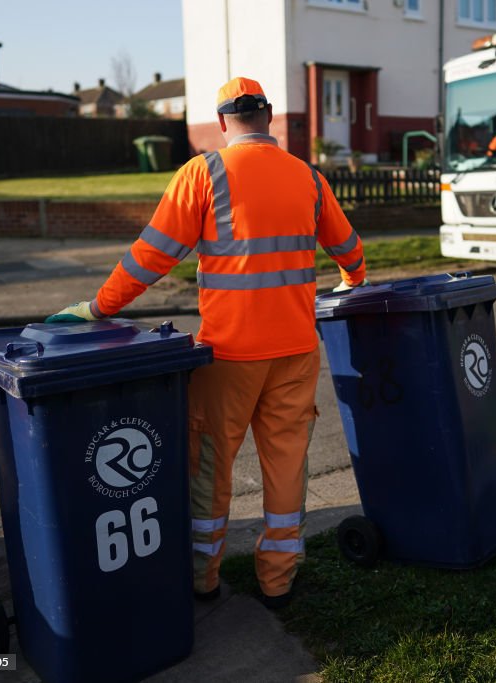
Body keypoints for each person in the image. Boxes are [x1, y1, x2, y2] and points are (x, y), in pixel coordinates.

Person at [47, 76, 367, 609]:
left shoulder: (205, 173)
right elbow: (349, 249)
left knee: (211, 469)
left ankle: (203, 577)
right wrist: (353, 282)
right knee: (286, 464)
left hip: (229, 357)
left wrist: (99, 308)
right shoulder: (307, 178)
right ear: (268, 117)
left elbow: (150, 256)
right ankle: (279, 580)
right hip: (295, 351)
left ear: (222, 123)